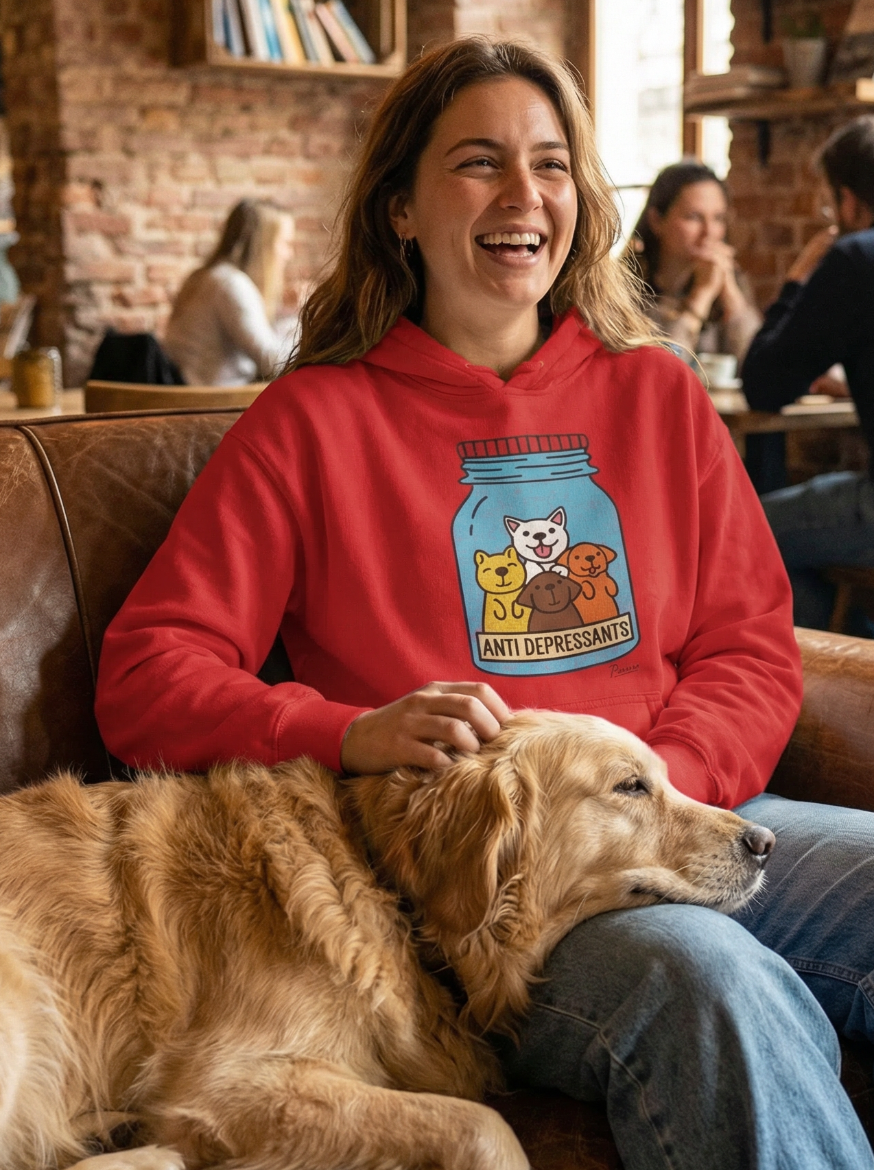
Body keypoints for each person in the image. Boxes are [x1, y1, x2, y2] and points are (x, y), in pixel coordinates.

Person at [94, 38, 874, 1170]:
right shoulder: (311, 422)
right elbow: (147, 677)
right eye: (477, 163)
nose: (523, 195)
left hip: (677, 810)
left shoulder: (656, 392)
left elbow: (748, 648)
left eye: (551, 164)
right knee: (709, 981)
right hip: (469, 901)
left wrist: (643, 801)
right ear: (400, 207)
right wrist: (348, 732)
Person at [742, 115, 874, 633]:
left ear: (849, 201)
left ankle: (832, 666)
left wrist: (798, 277)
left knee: (737, 534)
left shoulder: (857, 258)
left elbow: (765, 384)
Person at [625, 160, 762, 367]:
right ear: (656, 220)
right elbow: (661, 371)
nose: (709, 232)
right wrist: (701, 296)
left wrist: (731, 296)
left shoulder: (731, 280)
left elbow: (762, 367)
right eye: (694, 217)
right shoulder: (623, 288)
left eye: (718, 218)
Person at [163, 198, 296, 386]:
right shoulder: (231, 284)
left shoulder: (207, 275)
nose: (290, 254)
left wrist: (288, 315)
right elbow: (275, 364)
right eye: (286, 243)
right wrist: (304, 321)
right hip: (212, 399)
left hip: (187, 393)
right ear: (262, 245)